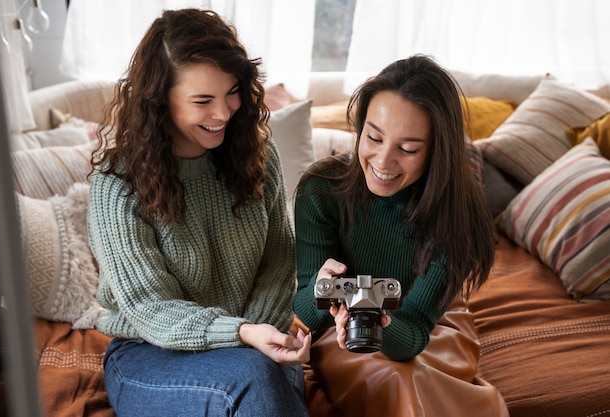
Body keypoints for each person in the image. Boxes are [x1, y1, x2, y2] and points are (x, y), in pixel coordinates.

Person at [86, 8, 311, 417]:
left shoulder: (260, 157)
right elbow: (149, 305)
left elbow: (279, 261)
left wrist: (257, 338)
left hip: (255, 350)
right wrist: (243, 334)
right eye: (203, 100)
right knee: (257, 381)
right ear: (159, 100)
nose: (224, 113)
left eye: (231, 92)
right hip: (148, 354)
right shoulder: (117, 185)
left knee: (259, 378)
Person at [293, 54, 495, 361]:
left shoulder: (457, 217)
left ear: (438, 152)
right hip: (341, 331)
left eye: (408, 149)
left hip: (426, 326)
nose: (383, 162)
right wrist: (322, 290)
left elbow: (414, 331)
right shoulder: (321, 188)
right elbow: (309, 315)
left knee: (402, 381)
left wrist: (381, 322)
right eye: (374, 137)